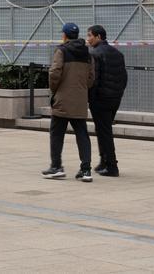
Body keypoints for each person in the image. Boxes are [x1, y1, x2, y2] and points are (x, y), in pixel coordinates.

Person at [43, 22, 96, 182]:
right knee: (82, 134)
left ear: (64, 35)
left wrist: (55, 90)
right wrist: (81, 90)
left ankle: (56, 166)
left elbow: (54, 73)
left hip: (62, 99)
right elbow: (91, 78)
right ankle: (86, 170)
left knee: (57, 133)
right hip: (80, 100)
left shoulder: (62, 50)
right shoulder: (87, 54)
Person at [86, 25, 128, 177]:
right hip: (115, 98)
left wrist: (91, 97)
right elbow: (124, 77)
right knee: (103, 130)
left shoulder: (95, 53)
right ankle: (103, 162)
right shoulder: (117, 53)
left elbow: (94, 79)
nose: (88, 38)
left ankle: (111, 165)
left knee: (104, 132)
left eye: (90, 35)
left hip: (100, 99)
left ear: (98, 37)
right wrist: (118, 93)